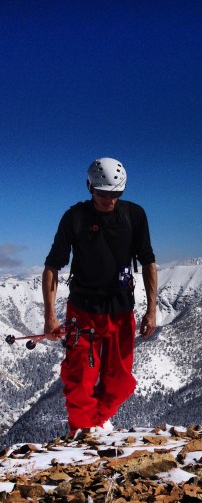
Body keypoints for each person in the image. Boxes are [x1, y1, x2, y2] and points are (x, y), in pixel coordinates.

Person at [42, 157, 157, 435]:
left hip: (120, 309)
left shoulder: (134, 215)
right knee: (80, 380)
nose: (109, 200)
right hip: (83, 311)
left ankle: (96, 422)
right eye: (102, 193)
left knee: (119, 381)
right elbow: (52, 266)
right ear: (90, 187)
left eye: (115, 194)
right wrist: (50, 316)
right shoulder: (75, 217)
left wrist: (152, 309)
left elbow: (148, 261)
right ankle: (82, 434)